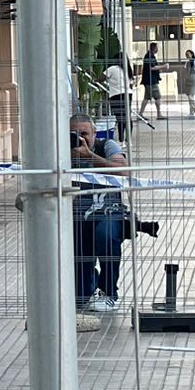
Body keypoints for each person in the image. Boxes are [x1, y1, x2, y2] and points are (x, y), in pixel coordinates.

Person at [71, 115, 128, 313]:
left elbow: (123, 171)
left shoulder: (106, 146)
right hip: (76, 215)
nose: (80, 139)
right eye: (74, 134)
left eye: (84, 134)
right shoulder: (61, 150)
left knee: (106, 235)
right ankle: (89, 285)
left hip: (109, 212)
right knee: (81, 296)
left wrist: (90, 157)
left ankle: (108, 291)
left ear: (95, 133)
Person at [102, 56, 131, 142]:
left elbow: (101, 78)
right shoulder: (127, 70)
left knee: (120, 118)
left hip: (116, 95)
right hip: (128, 94)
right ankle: (128, 139)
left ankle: (121, 140)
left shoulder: (112, 69)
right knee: (127, 116)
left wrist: (94, 80)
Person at [141, 45, 164, 122]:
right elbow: (152, 67)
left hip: (148, 80)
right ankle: (159, 114)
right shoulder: (149, 56)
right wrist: (163, 66)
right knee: (158, 97)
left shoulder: (149, 55)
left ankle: (140, 113)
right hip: (151, 81)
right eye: (157, 47)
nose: (157, 49)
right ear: (154, 48)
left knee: (146, 98)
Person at [181, 47, 195, 116]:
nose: (187, 55)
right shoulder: (187, 63)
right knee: (189, 97)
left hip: (193, 80)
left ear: (192, 54)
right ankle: (191, 112)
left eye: (188, 54)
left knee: (191, 96)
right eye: (186, 54)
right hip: (188, 80)